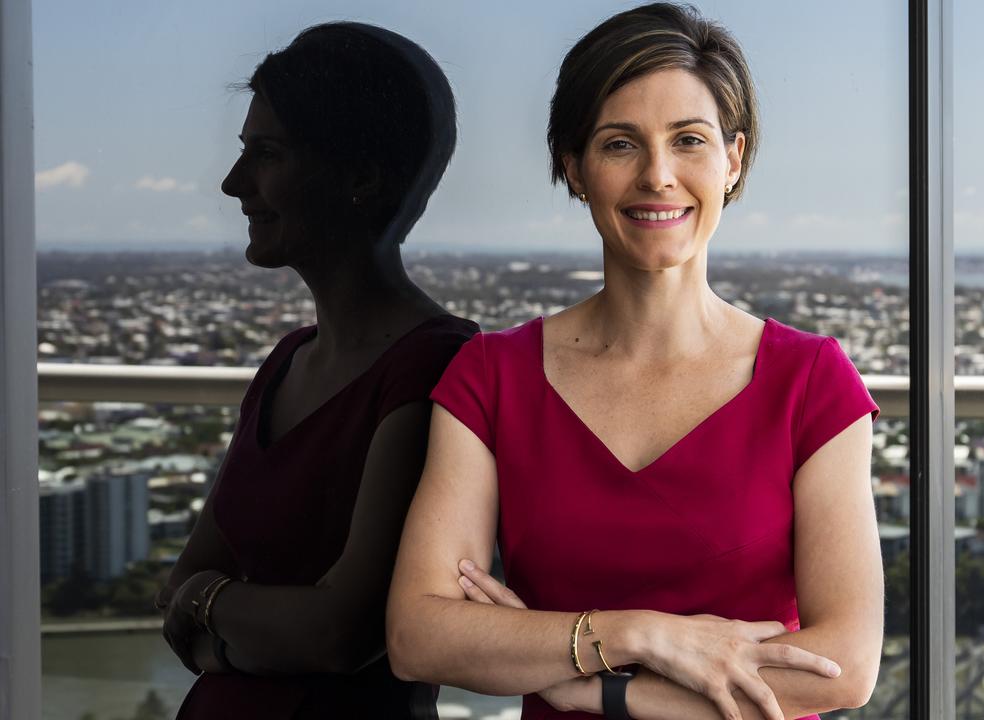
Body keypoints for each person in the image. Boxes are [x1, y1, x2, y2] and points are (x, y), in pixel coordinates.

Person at [386, 4, 883, 720]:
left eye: (689, 140)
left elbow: (843, 668)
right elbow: (419, 634)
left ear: (732, 160)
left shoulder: (811, 384)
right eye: (620, 145)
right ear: (575, 169)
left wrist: (594, 685)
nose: (658, 175)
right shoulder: (491, 378)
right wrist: (640, 634)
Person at [155, 22, 477, 719]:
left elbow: (342, 632)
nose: (235, 183)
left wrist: (209, 610)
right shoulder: (287, 362)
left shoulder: (435, 368)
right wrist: (225, 613)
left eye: (266, 154)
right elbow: (180, 579)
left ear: (360, 177)